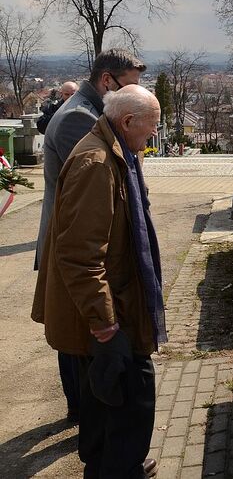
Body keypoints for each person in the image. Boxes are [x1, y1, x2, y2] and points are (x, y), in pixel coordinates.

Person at [32, 85, 164, 478]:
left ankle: (105, 465)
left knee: (102, 399)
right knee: (131, 397)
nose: (152, 137)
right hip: (111, 314)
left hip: (116, 305)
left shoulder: (114, 152)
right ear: (126, 122)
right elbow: (80, 255)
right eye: (150, 128)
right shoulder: (97, 162)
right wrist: (105, 324)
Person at [35, 49, 145, 425]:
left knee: (83, 334)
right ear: (107, 81)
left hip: (79, 243)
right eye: (131, 84)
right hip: (73, 244)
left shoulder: (89, 111)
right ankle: (85, 417)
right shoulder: (80, 119)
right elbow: (93, 193)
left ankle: (88, 419)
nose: (136, 92)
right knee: (78, 338)